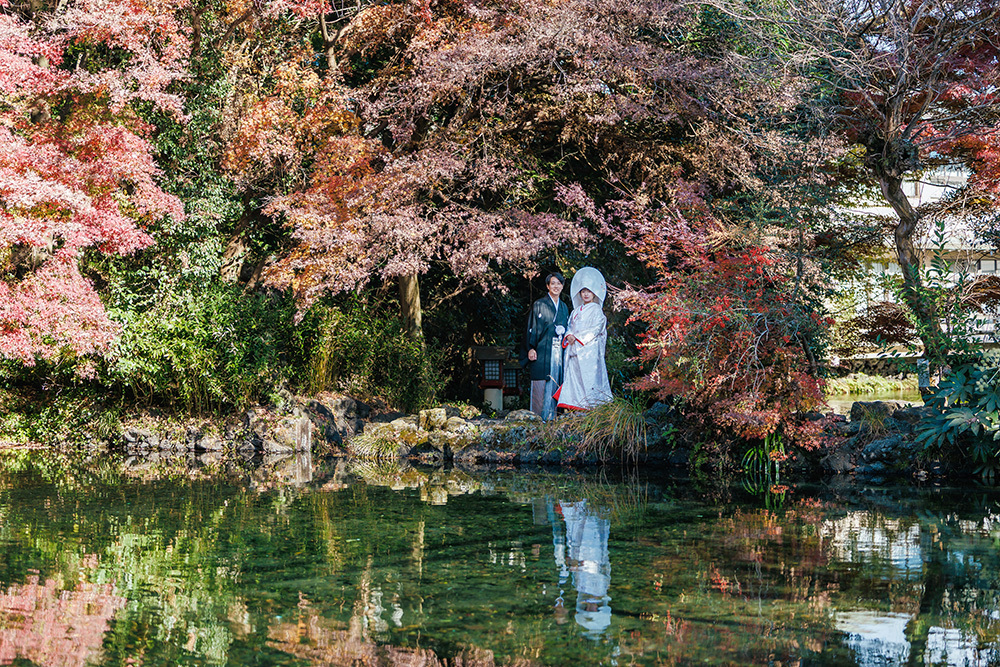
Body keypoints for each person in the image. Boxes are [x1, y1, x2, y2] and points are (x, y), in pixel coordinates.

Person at [557, 267, 612, 411]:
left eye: (589, 291)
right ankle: (575, 407)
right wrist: (569, 335)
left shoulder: (597, 310)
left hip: (589, 352)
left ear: (594, 293)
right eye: (583, 291)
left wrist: (578, 337)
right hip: (574, 349)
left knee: (589, 379)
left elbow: (596, 329)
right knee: (574, 378)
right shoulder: (576, 311)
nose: (586, 294)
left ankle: (591, 408)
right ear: (580, 293)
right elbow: (570, 326)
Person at [521, 273, 569, 421]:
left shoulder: (564, 307)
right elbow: (532, 326)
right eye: (553, 283)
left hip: (559, 349)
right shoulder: (539, 304)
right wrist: (531, 347)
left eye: (559, 283)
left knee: (558, 379)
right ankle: (537, 418)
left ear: (562, 286)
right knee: (542, 379)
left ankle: (553, 416)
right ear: (547, 286)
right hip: (542, 349)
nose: (556, 286)